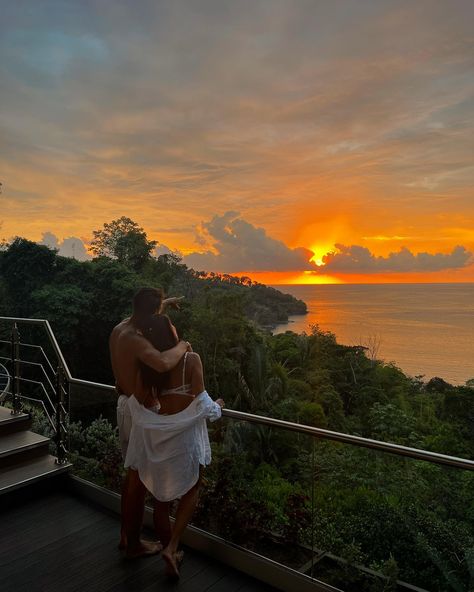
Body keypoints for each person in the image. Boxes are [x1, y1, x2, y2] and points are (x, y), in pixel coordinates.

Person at [124, 314, 224, 577]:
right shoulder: (191, 359)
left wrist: (161, 407)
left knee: (160, 499)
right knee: (193, 486)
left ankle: (171, 549)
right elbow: (203, 405)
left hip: (159, 439)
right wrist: (220, 406)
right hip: (184, 438)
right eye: (172, 325)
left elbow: (142, 404)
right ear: (169, 333)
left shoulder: (147, 367)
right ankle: (172, 547)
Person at [109, 287, 190, 558]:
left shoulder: (120, 328)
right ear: (150, 314)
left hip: (124, 406)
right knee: (138, 483)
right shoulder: (137, 340)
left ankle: (124, 536)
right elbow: (163, 362)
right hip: (139, 414)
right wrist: (183, 346)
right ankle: (134, 546)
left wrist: (167, 302)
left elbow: (149, 313)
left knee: (130, 477)